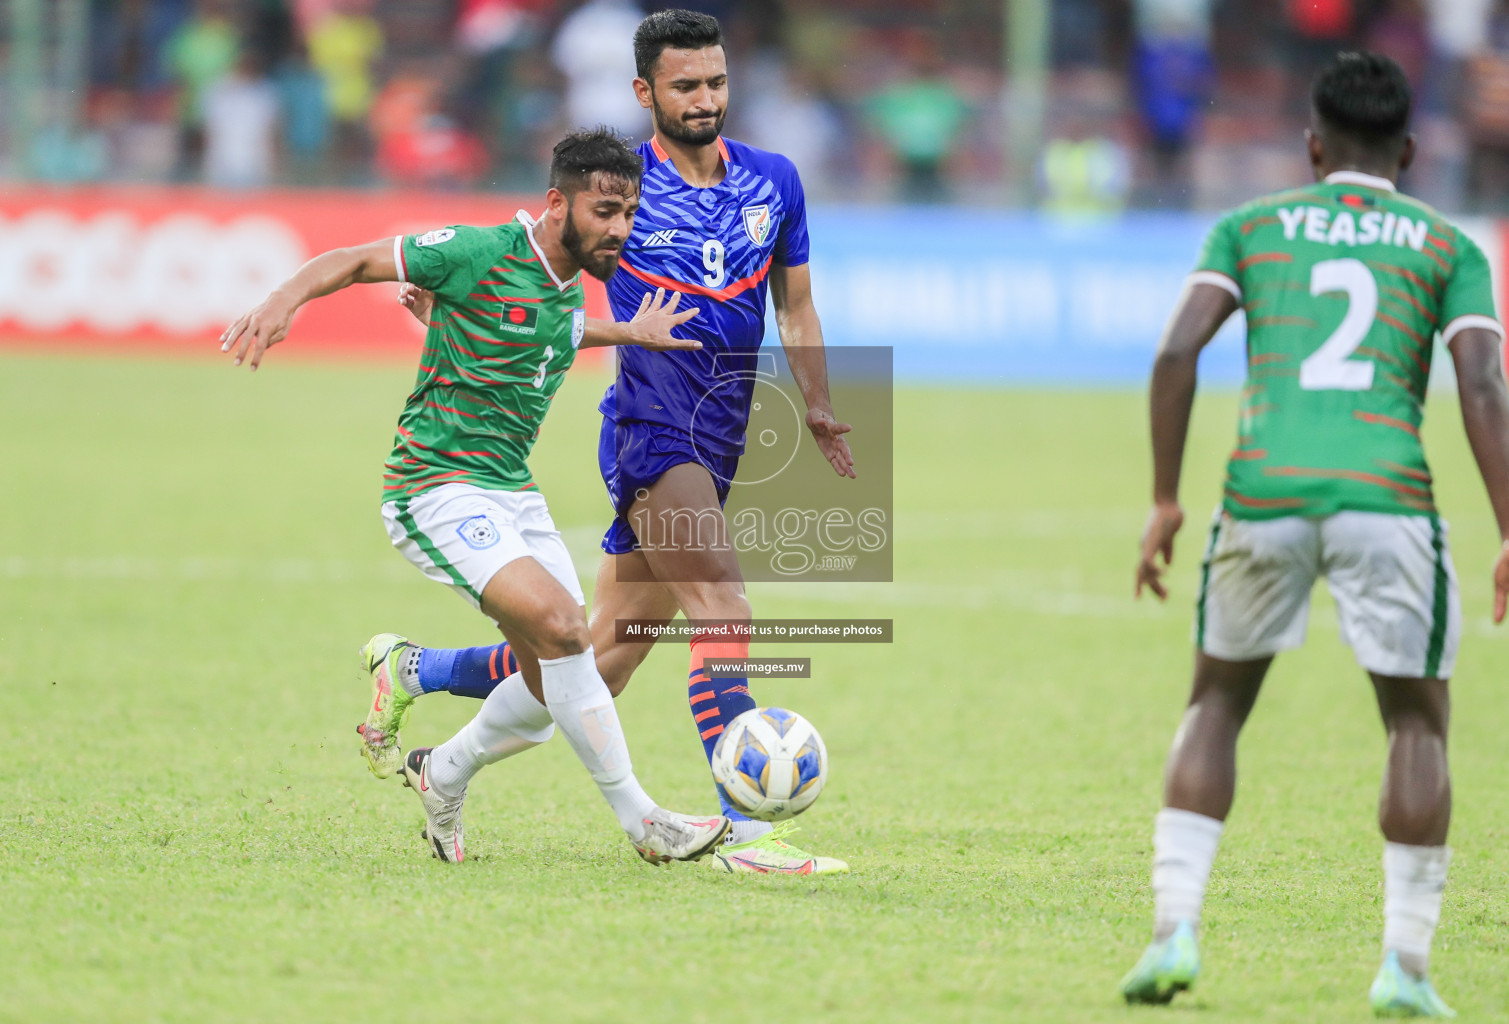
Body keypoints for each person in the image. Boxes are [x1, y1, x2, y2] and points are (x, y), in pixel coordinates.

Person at [367, 9, 856, 876]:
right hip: (651, 434)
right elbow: (535, 267)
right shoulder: (621, 188)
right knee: (726, 615)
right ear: (645, 93)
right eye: (684, 86)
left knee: (600, 660)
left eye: (715, 82)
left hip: (724, 437)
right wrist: (452, 308)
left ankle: (422, 688)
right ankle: (745, 834)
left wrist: (817, 403)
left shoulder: (774, 181)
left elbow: (797, 304)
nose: (704, 99)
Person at [220, 128, 731, 867]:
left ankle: (442, 768)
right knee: (564, 629)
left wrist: (631, 331)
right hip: (433, 487)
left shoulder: (561, 290)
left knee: (551, 692)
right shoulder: (474, 250)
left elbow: (549, 329)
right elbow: (356, 259)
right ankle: (644, 823)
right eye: (605, 210)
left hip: (512, 493)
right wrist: (282, 300)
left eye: (629, 213)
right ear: (558, 203)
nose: (619, 228)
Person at [1120, 52, 1509, 1016]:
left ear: (1310, 146)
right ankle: (1404, 972)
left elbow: (1175, 351)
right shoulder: (1447, 244)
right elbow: (1483, 388)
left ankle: (1172, 933)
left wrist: (1165, 499)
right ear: (1411, 151)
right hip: (1387, 495)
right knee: (1415, 721)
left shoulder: (1248, 227)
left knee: (1215, 705)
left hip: (1263, 492)